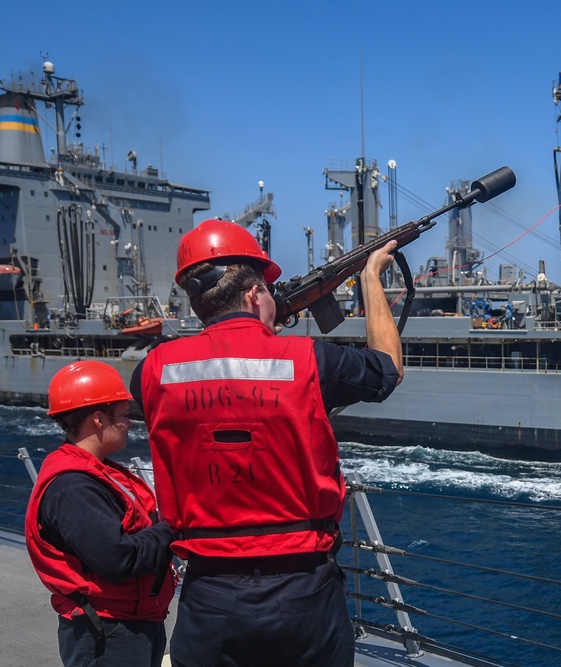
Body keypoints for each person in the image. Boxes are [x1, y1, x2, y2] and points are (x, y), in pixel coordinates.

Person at [130, 219, 403, 667]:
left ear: (198, 300)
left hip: (208, 598)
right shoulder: (308, 360)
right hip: (304, 596)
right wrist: (370, 276)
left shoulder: (153, 372)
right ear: (256, 294)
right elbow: (388, 367)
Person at [24, 361, 176, 667]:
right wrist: (175, 527)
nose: (130, 423)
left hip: (131, 622)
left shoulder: (97, 472)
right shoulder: (72, 487)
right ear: (98, 418)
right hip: (107, 633)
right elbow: (118, 558)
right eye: (122, 415)